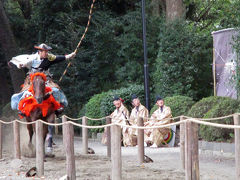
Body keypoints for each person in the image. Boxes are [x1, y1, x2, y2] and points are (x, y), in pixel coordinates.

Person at [9, 43, 76, 116]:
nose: (46, 53)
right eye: (45, 51)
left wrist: (70, 55)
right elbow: (25, 63)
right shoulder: (32, 58)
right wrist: (21, 64)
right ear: (39, 52)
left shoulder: (50, 58)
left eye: (47, 51)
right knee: (25, 93)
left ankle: (59, 107)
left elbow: (60, 58)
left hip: (46, 80)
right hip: (33, 81)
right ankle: (22, 109)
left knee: (56, 90)